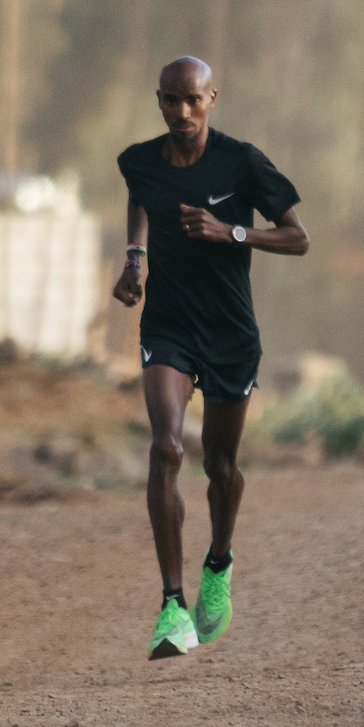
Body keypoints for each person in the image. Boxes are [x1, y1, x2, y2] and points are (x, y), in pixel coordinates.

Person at [113, 55, 308, 659]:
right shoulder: (138, 160)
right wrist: (135, 258)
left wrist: (233, 233)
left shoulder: (242, 162)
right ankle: (172, 607)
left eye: (193, 100)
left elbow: (299, 237)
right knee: (167, 447)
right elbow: (141, 198)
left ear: (212, 99)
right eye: (171, 100)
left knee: (219, 467)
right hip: (169, 326)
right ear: (159, 99)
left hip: (230, 333)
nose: (181, 111)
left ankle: (218, 562)